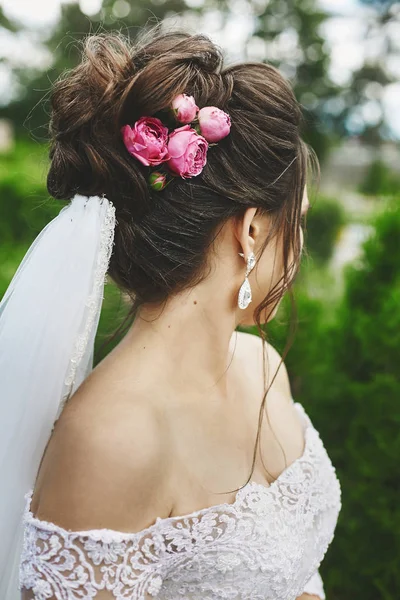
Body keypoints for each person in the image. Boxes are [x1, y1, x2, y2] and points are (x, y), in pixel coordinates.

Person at [0, 25, 341, 600]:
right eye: (297, 221)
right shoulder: (110, 441)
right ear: (252, 230)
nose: (299, 247)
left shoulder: (264, 369)